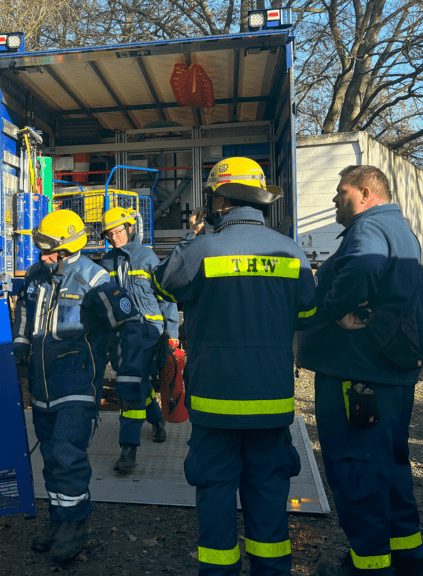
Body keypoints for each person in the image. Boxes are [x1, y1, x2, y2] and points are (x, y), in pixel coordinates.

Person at [153, 157, 317, 576]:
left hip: (215, 406)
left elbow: (161, 283)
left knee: (216, 495)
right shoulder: (291, 252)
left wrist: (192, 235)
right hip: (272, 404)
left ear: (219, 201)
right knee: (269, 497)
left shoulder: (203, 249)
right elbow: (305, 315)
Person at [296, 165, 423, 576]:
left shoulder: (368, 228)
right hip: (388, 374)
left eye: (342, 192)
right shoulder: (401, 230)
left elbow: (360, 270)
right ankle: (410, 560)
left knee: (356, 470)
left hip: (358, 375)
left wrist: (330, 310)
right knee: (390, 469)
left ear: (366, 193)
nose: (335, 200)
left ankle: (369, 568)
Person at [13, 209, 151, 563]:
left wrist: (128, 375)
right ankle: (58, 519)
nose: (42, 257)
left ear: (68, 248)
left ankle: (75, 524)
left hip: (76, 385)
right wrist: (20, 346)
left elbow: (129, 325)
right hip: (42, 388)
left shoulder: (95, 280)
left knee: (67, 454)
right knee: (49, 457)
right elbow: (25, 312)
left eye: (48, 250)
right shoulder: (36, 275)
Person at [98, 206, 178, 474]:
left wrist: (171, 334)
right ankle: (156, 421)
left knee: (130, 385)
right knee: (138, 382)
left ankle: (128, 449)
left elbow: (165, 297)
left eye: (118, 231)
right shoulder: (106, 263)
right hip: (120, 336)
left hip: (148, 334)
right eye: (109, 234)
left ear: (131, 228)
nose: (115, 237)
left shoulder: (147, 257)